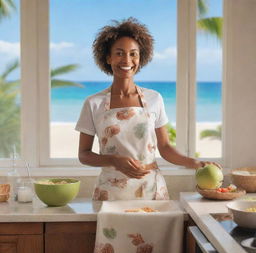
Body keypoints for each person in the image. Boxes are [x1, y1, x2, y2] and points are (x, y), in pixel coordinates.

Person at [75, 17, 220, 201]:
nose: (127, 60)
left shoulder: (154, 99)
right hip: (111, 191)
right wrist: (113, 160)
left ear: (140, 57)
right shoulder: (93, 103)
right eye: (119, 53)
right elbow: (84, 155)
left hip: (151, 190)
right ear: (108, 57)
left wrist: (196, 163)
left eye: (133, 53)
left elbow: (165, 147)